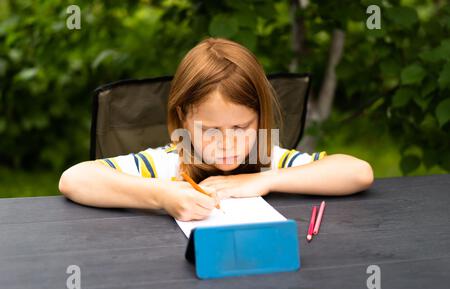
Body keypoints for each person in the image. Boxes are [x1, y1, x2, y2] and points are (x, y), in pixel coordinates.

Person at [59, 37, 373, 221]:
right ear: (183, 118)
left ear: (260, 117)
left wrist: (263, 179)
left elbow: (358, 172)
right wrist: (160, 195)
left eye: (240, 126)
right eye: (210, 129)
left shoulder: (266, 158)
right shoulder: (168, 164)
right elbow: (74, 179)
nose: (227, 142)